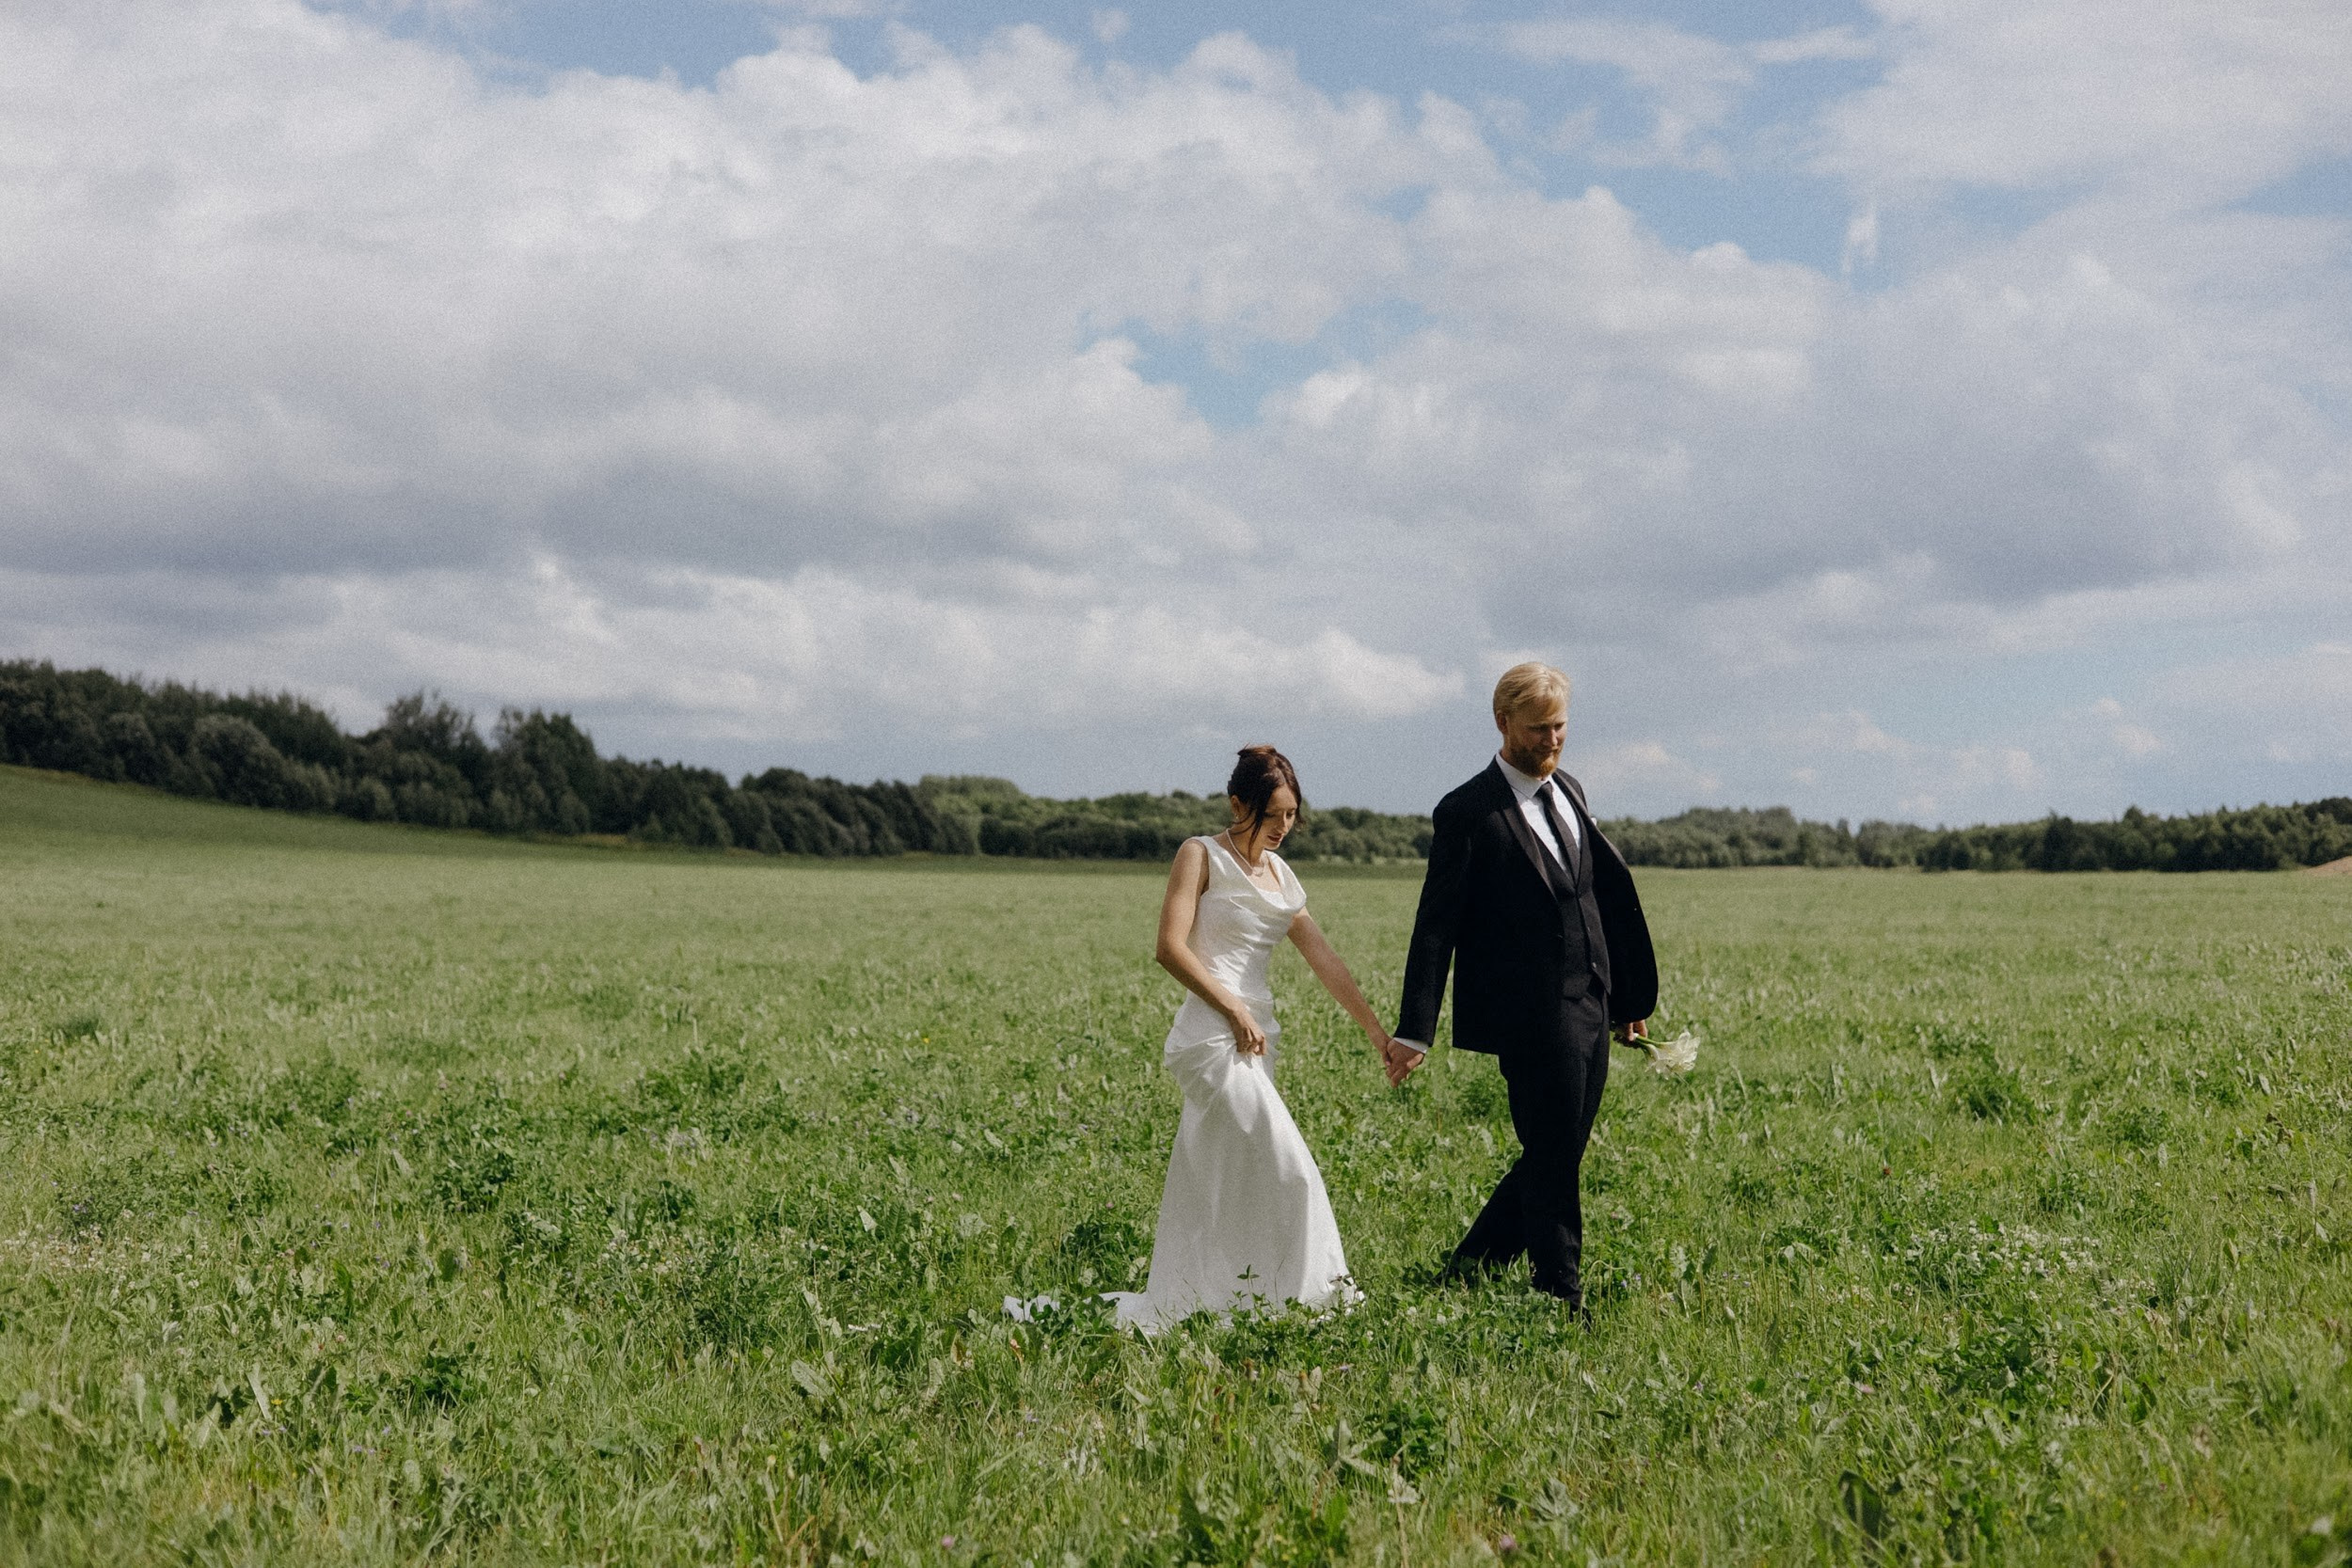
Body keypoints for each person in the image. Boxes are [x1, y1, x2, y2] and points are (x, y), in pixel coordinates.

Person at [1109, 745, 1411, 1332]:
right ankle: (1318, 1299)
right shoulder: (1199, 855)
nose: (1283, 827)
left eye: (1292, 815)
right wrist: (1231, 1008)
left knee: (1222, 1174)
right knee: (1288, 1163)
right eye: (1272, 815)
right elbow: (1169, 948)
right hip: (1212, 1036)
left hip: (1257, 1039)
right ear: (1238, 804)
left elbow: (1323, 958)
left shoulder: (1282, 875)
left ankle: (1226, 1295)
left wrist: (1377, 1033)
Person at [1391, 663, 1658, 1311]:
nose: (1552, 739)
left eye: (1560, 725)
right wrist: (1414, 1028)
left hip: (1591, 1000)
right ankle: (1559, 1289)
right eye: (1538, 728)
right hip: (1530, 1013)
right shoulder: (1467, 811)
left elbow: (1593, 897)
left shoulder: (1570, 789)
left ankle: (1472, 1263)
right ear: (1503, 722)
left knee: (1556, 1148)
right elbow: (1436, 925)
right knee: (1556, 1151)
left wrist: (1625, 1003)